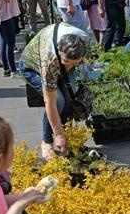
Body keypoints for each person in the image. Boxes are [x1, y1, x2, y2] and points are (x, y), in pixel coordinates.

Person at [18, 23, 89, 160]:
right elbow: (50, 102)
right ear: (59, 50)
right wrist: (58, 134)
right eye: (67, 61)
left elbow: (80, 63)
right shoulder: (50, 61)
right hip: (31, 67)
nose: (69, 65)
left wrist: (75, 67)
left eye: (74, 62)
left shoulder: (83, 39)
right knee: (58, 101)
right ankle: (47, 142)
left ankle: (66, 138)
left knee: (70, 98)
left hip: (58, 66)